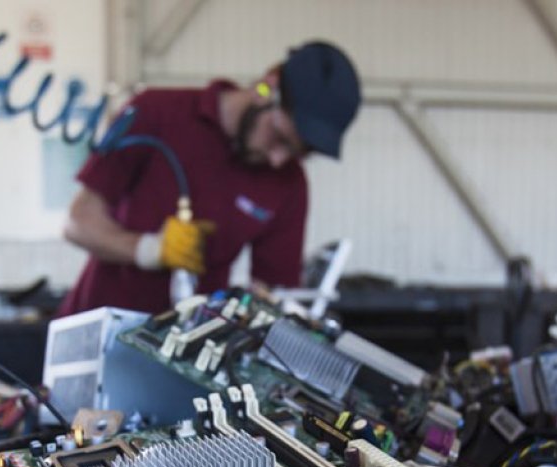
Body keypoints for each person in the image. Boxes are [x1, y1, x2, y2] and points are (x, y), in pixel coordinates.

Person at [58, 41, 361, 317]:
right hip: (94, 336)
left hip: (187, 356)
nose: (278, 159)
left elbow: (272, 297)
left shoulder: (290, 184)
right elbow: (78, 223)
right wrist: (147, 249)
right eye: (279, 138)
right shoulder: (156, 112)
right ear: (266, 89)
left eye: (298, 152)